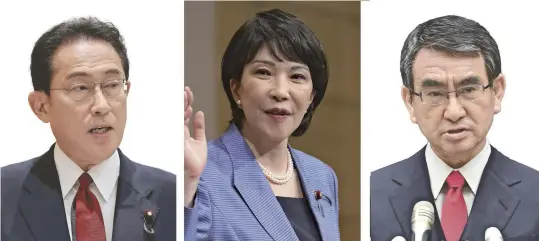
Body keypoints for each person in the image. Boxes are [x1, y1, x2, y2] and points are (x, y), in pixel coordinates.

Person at [1, 17, 176, 241]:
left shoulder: (173, 194)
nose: (101, 106)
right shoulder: (5, 195)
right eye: (80, 87)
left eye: (112, 85)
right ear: (41, 106)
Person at [370, 15, 539, 241]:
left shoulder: (535, 192)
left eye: (469, 89)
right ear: (410, 101)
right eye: (435, 93)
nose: (454, 112)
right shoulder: (370, 194)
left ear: (497, 92)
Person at [184, 9, 340, 241]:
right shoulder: (202, 173)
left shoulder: (322, 176)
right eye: (264, 72)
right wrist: (186, 188)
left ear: (311, 97)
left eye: (297, 76)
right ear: (236, 89)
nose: (280, 91)